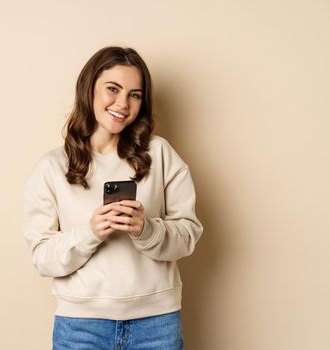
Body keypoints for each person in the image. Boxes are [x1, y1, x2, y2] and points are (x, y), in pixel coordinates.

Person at [23, 46, 203, 349]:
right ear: (88, 89)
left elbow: (188, 234)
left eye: (135, 94)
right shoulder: (51, 167)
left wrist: (146, 228)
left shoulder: (159, 154)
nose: (123, 103)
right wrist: (90, 232)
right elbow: (42, 258)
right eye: (112, 89)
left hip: (156, 323)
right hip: (80, 327)